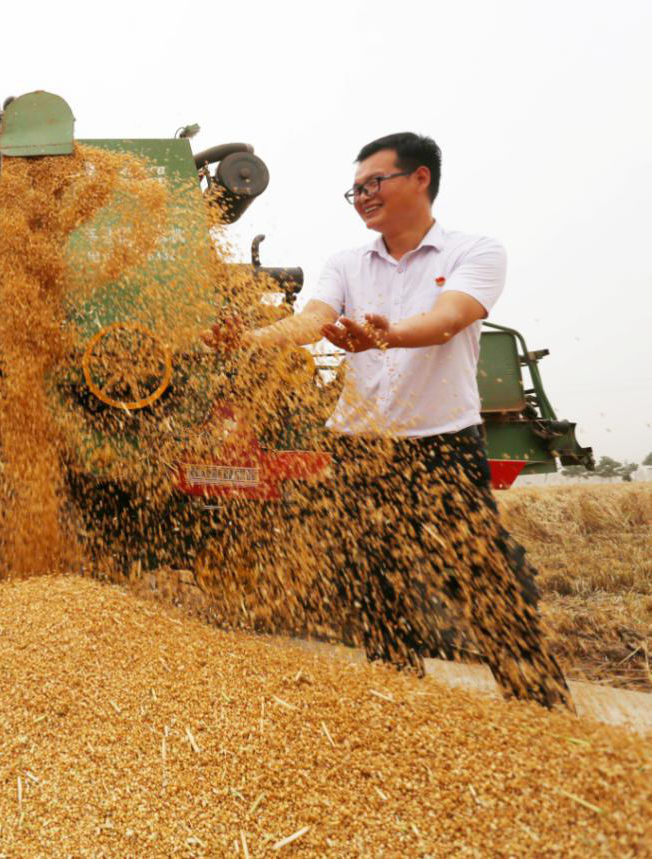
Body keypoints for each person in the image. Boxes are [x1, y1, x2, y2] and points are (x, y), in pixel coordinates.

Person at [210, 132, 571, 709]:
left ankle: (539, 707)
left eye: (372, 184)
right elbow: (311, 321)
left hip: (441, 443)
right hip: (358, 445)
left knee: (482, 573)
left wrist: (386, 336)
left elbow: (449, 319)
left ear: (420, 178)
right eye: (353, 190)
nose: (361, 197)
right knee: (368, 573)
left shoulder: (473, 252)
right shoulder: (347, 263)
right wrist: (251, 339)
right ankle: (393, 692)